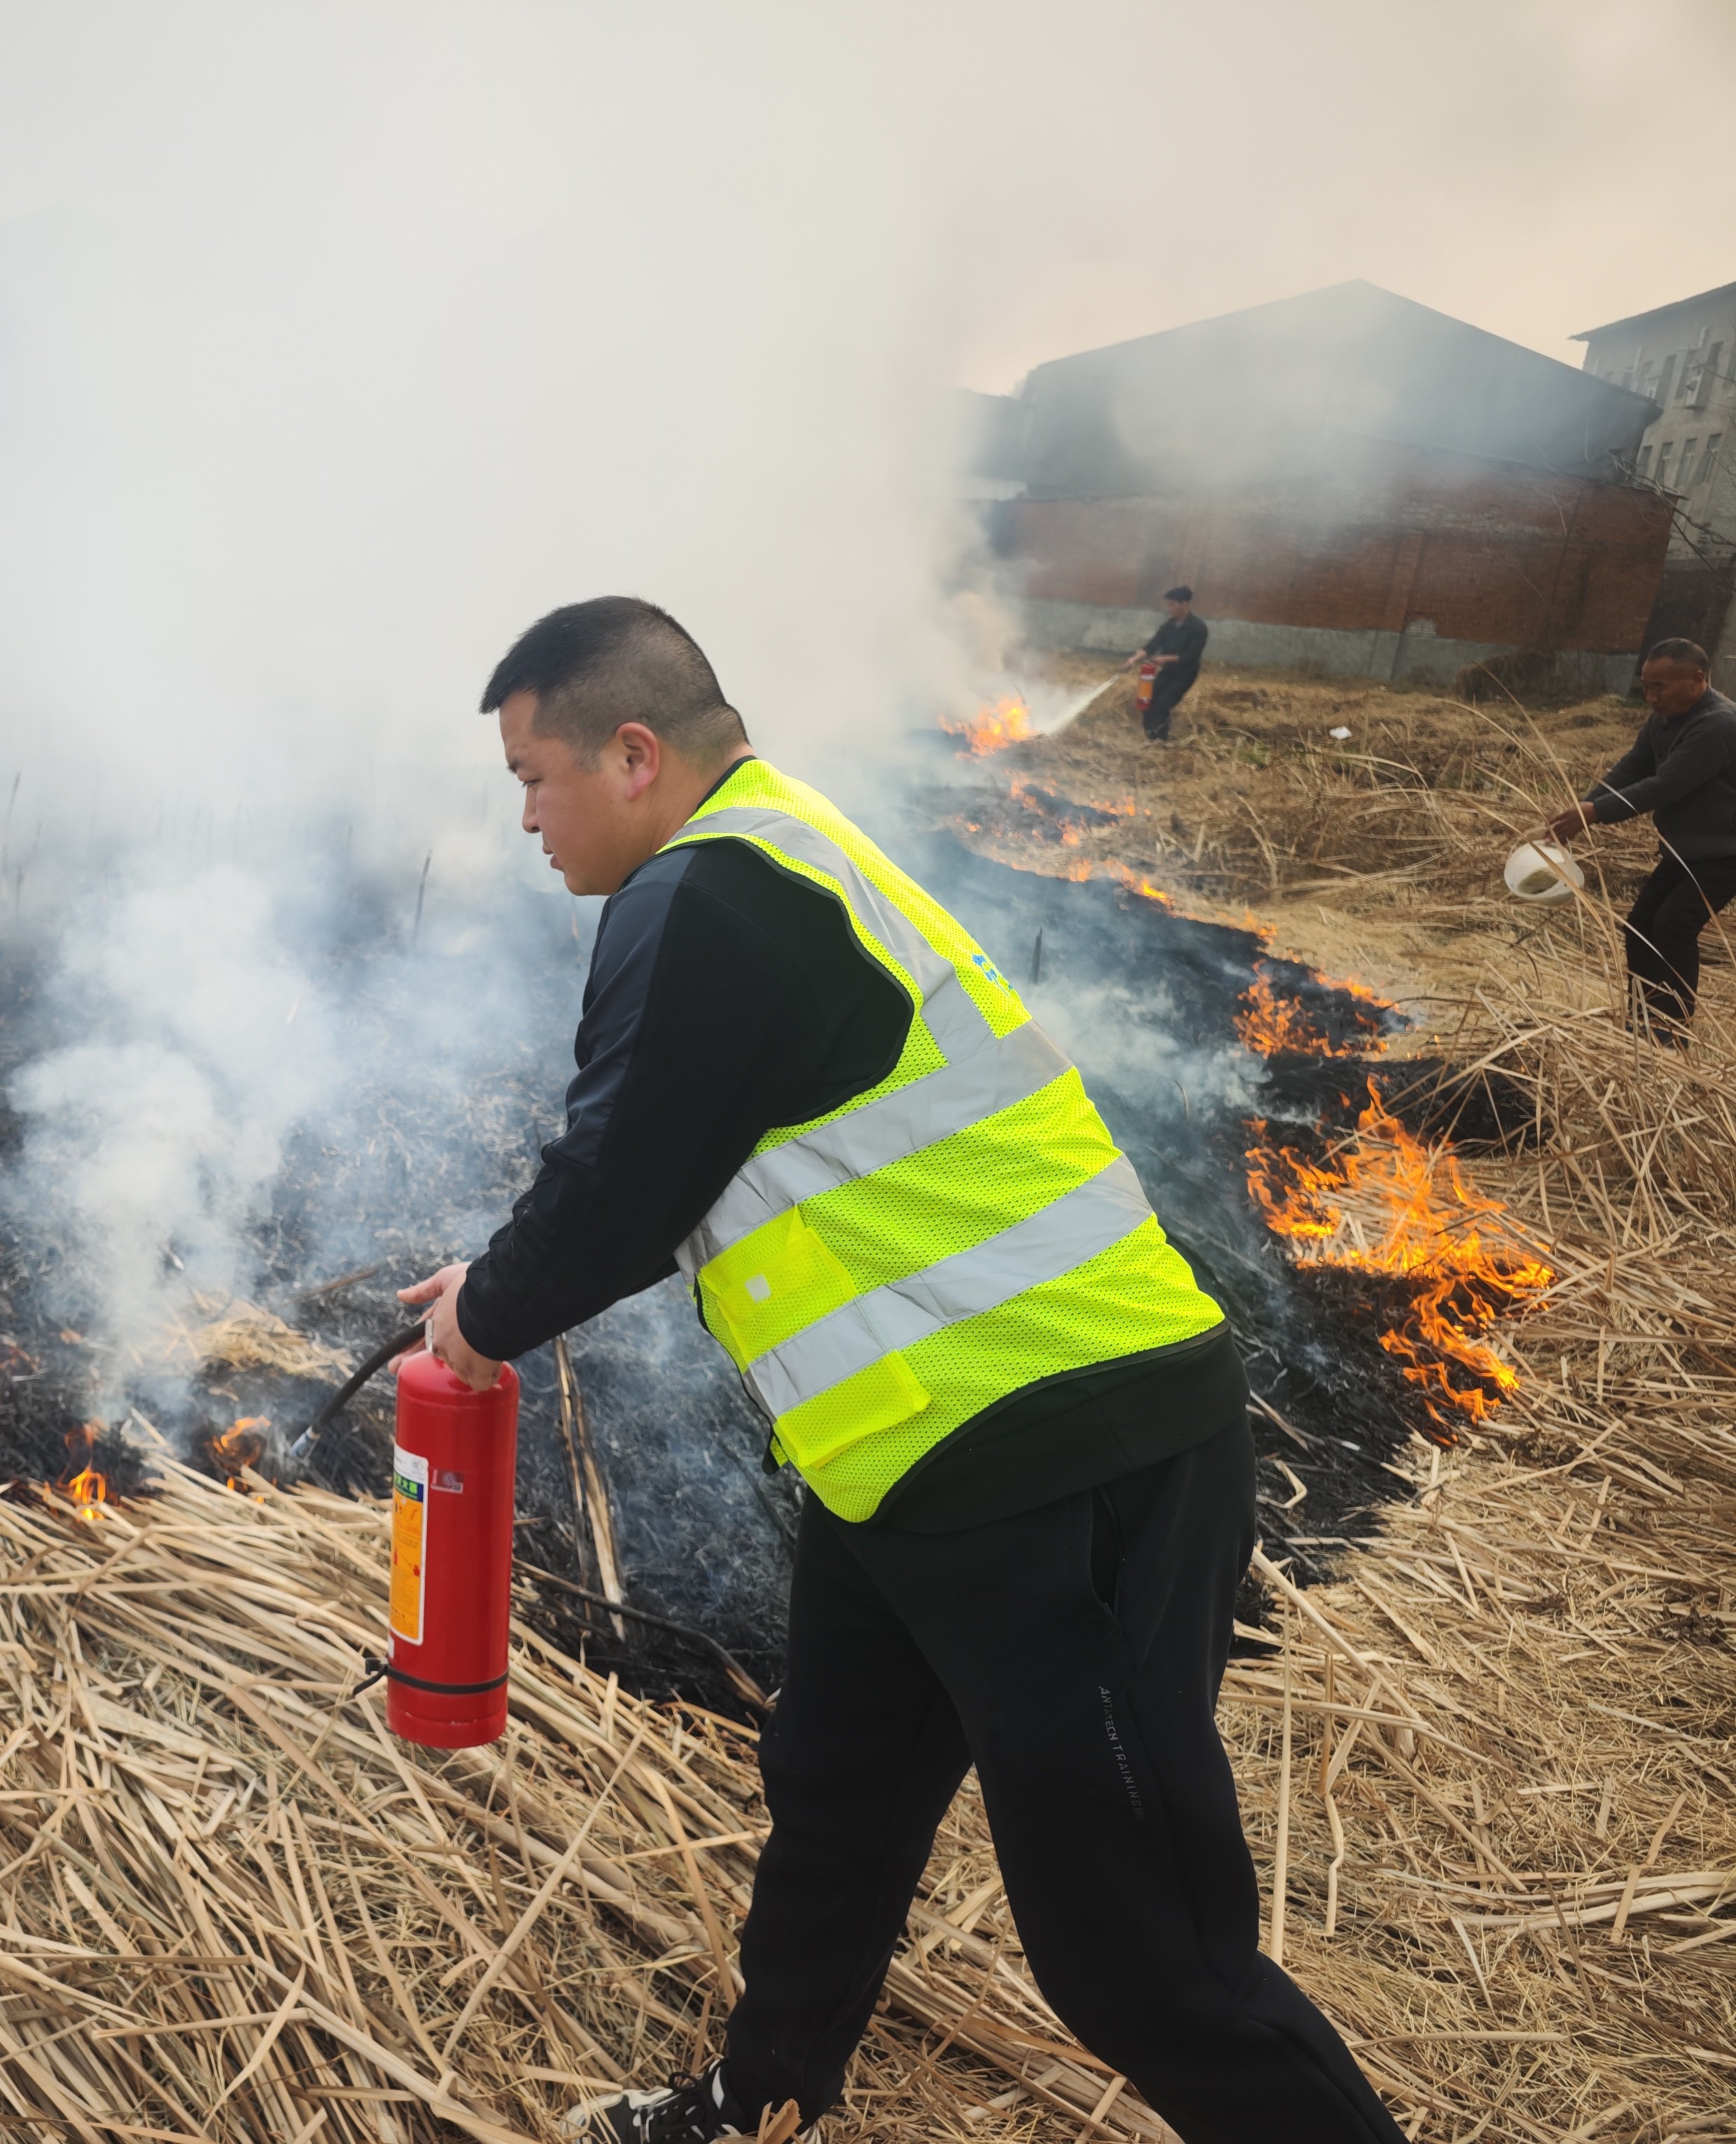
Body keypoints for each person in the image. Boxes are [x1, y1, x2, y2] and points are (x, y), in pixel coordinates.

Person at [397, 597, 1404, 2144]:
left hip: (1064, 1452)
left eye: (532, 775)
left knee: (1139, 1959)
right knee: (837, 1798)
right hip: (912, 1457)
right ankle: (759, 2105)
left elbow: (617, 1185)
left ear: (634, 754)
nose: (523, 815)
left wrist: (483, 1313)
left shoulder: (710, 894)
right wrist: (501, 1281)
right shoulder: (772, 852)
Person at [1544, 637, 1736, 1045]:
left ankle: (1673, 1034)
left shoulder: (1719, 725)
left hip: (1726, 852)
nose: (1649, 697)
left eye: (1659, 687)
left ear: (1696, 680)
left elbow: (1665, 785)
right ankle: (1642, 1022)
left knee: (1673, 926)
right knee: (1640, 929)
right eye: (1646, 686)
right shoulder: (1665, 717)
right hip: (1687, 849)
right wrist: (1586, 803)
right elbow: (1634, 767)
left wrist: (1594, 815)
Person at [1119, 585, 1207, 742]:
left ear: (1185, 604)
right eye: (1168, 605)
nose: (1169, 609)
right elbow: (1153, 645)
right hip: (1168, 672)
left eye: (1173, 605)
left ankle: (1160, 742)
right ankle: (1150, 738)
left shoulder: (1198, 628)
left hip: (1185, 675)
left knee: (1162, 706)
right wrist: (1134, 659)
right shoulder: (1168, 626)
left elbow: (1191, 656)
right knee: (1147, 702)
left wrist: (1164, 659)